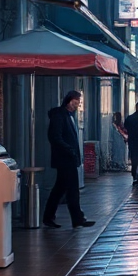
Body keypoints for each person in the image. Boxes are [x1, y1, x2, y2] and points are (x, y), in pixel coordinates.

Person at [42, 91, 94, 229]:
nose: (77, 106)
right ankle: (77, 219)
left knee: (59, 189)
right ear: (70, 101)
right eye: (76, 102)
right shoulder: (59, 116)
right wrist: (69, 150)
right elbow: (55, 137)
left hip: (68, 158)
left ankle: (48, 217)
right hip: (65, 159)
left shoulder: (69, 116)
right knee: (72, 190)